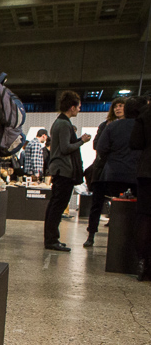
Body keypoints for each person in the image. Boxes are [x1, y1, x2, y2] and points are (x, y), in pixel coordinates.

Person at [42, 91, 91, 252]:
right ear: (72, 107)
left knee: (55, 205)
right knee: (57, 206)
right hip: (63, 170)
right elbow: (65, 148)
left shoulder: (61, 122)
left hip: (61, 170)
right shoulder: (63, 124)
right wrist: (81, 141)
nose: (79, 110)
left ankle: (52, 238)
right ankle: (51, 240)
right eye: (78, 107)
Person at [85, 97, 126, 246]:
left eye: (121, 106)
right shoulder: (104, 125)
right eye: (116, 106)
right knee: (96, 203)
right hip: (101, 169)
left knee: (121, 204)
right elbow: (97, 145)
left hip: (119, 170)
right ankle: (91, 235)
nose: (118, 108)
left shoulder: (129, 126)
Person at [130, 100, 151, 281]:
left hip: (147, 170)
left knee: (144, 216)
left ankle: (143, 263)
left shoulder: (145, 115)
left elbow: (135, 142)